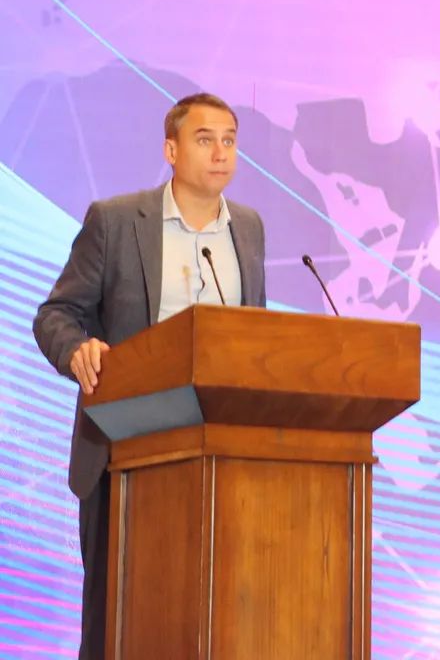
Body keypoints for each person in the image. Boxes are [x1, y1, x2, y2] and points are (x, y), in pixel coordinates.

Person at [32, 92, 266, 660]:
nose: (221, 153)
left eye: (229, 141)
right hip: (125, 447)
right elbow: (56, 314)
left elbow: (254, 337)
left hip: (223, 454)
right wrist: (78, 350)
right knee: (117, 620)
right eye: (205, 139)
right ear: (171, 150)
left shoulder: (249, 228)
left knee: (208, 616)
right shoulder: (115, 221)